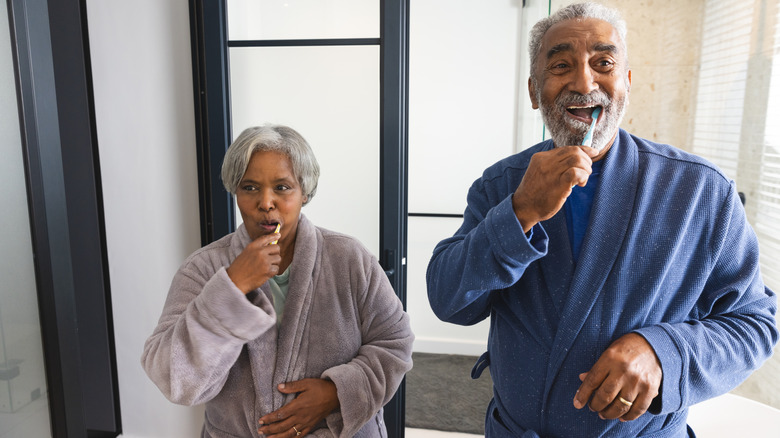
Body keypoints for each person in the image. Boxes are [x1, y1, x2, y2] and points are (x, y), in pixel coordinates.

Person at [426, 3, 778, 437]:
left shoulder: (700, 191)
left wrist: (664, 353)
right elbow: (448, 300)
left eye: (603, 63)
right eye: (561, 65)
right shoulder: (501, 184)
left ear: (626, 83)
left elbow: (755, 322)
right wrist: (519, 213)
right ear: (535, 91)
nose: (583, 82)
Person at [142, 124, 413, 437]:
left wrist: (336, 393)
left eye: (282, 187)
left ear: (305, 192)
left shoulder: (349, 259)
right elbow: (174, 379)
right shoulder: (202, 269)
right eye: (250, 187)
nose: (266, 202)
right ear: (235, 191)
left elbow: (395, 343)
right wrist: (231, 288)